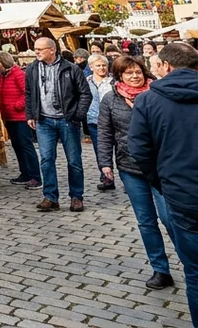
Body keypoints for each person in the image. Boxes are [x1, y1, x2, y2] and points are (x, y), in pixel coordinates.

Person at [129, 43, 198, 325]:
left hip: (181, 195)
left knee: (195, 271)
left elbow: (140, 151)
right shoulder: (149, 99)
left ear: (166, 66)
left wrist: (161, 181)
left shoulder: (148, 100)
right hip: (180, 191)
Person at [98, 54, 179, 291]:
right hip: (130, 168)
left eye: (138, 72)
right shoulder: (110, 100)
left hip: (161, 167)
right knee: (146, 221)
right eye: (128, 73)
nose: (134, 76)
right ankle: (161, 270)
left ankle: (189, 262)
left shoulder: (158, 94)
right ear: (119, 76)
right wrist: (105, 163)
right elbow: (105, 133)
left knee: (170, 218)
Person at [25, 36, 92, 213]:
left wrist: (77, 116)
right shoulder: (32, 69)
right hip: (44, 121)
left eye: (41, 49)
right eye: (35, 49)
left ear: (52, 50)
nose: (37, 52)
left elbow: (85, 94)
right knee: (46, 160)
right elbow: (29, 93)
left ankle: (76, 197)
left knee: (74, 161)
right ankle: (50, 197)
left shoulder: (71, 68)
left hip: (67, 120)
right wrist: (31, 114)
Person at [0, 51, 40, 189]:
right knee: (17, 146)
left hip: (20, 117)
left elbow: (27, 93)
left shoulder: (19, 74)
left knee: (26, 145)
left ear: (3, 62)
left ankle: (36, 176)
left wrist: (17, 106)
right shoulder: (1, 75)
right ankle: (25, 173)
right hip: (8, 116)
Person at [86, 54, 116, 191]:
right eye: (98, 65)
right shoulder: (86, 82)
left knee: (121, 150)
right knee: (100, 151)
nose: (102, 68)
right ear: (91, 67)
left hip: (114, 120)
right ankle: (106, 178)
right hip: (94, 120)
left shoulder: (113, 82)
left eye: (104, 65)